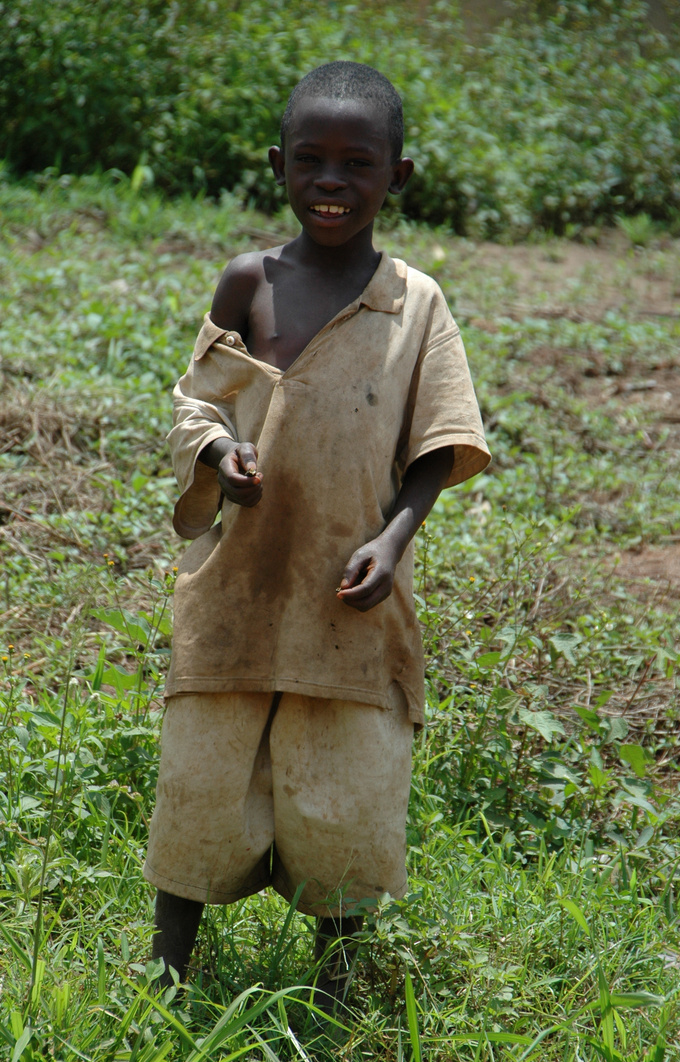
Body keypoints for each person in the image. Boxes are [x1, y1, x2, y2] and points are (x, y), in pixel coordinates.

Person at [143, 61, 490, 1007]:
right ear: (277, 166)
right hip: (238, 586)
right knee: (201, 781)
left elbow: (440, 441)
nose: (331, 181)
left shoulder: (415, 306)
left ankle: (335, 986)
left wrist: (396, 538)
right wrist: (219, 456)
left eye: (357, 163)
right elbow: (193, 405)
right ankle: (170, 973)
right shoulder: (248, 282)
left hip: (348, 586)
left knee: (346, 794)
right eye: (310, 160)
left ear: (398, 177)